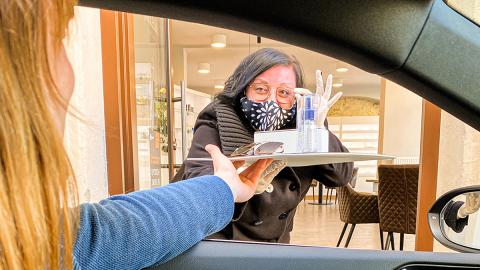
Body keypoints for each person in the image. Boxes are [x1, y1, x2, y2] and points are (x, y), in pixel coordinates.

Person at [0, 1, 272, 269]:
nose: (69, 75)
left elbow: (107, 234)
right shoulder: (214, 116)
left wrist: (223, 187)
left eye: (284, 92)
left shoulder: (32, 239)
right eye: (59, 37)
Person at [174, 48, 354, 243]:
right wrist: (235, 182)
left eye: (284, 92)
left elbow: (341, 176)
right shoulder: (217, 119)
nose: (271, 101)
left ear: (296, 98)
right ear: (244, 88)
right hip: (220, 240)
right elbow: (200, 184)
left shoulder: (305, 128)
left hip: (274, 245)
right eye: (261, 89)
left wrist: (320, 132)